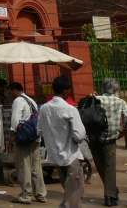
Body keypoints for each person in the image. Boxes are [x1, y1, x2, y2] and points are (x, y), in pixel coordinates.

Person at [38, 75, 86, 208]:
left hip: (55, 157)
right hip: (71, 156)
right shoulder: (70, 109)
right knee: (75, 194)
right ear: (66, 91)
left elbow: (39, 129)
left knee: (69, 191)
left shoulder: (43, 108)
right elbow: (79, 134)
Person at [93, 78, 127, 206]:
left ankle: (111, 192)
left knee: (100, 166)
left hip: (94, 138)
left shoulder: (95, 99)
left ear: (103, 88)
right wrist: (120, 133)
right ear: (116, 89)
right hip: (110, 138)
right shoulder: (120, 102)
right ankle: (110, 195)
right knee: (110, 167)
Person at [8, 82, 46, 204]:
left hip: (23, 138)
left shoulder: (18, 100)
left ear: (14, 90)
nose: (10, 94)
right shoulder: (31, 100)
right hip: (35, 137)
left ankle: (26, 195)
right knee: (36, 167)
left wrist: (12, 136)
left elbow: (15, 120)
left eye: (10, 91)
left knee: (24, 166)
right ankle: (40, 194)